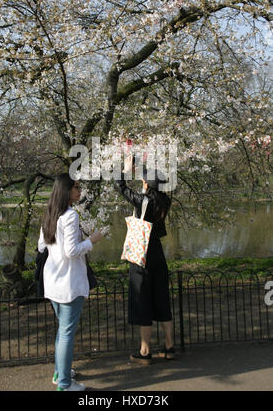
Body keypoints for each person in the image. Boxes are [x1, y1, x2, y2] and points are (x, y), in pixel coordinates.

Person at [38, 173, 103, 391]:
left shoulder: (50, 214)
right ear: (66, 191)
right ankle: (65, 384)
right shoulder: (70, 216)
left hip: (53, 281)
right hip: (68, 284)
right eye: (76, 187)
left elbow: (41, 246)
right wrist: (91, 241)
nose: (79, 191)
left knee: (62, 330)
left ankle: (61, 373)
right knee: (66, 333)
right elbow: (71, 252)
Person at [114, 156, 176, 365]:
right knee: (161, 296)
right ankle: (169, 347)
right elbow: (151, 191)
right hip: (157, 251)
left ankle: (145, 350)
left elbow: (120, 185)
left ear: (147, 184)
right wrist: (140, 167)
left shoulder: (143, 201)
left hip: (142, 252)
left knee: (142, 298)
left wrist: (124, 168)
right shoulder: (165, 200)